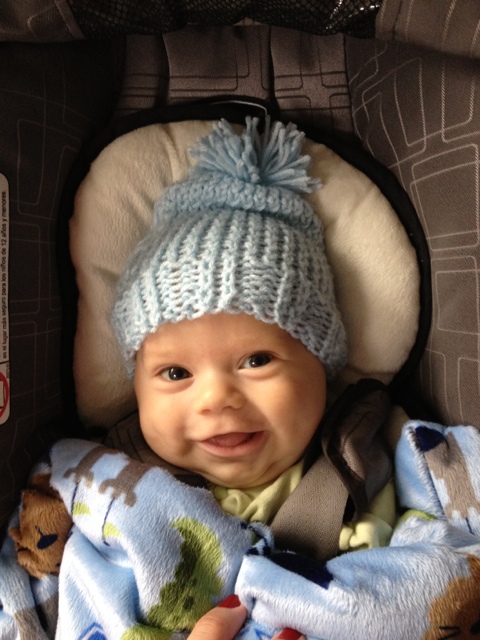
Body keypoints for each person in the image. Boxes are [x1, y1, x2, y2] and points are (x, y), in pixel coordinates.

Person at [5, 117, 480, 640]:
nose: (216, 398)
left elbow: (456, 557)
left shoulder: (379, 450)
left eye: (256, 361)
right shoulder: (94, 479)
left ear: (321, 368)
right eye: (175, 372)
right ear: (135, 387)